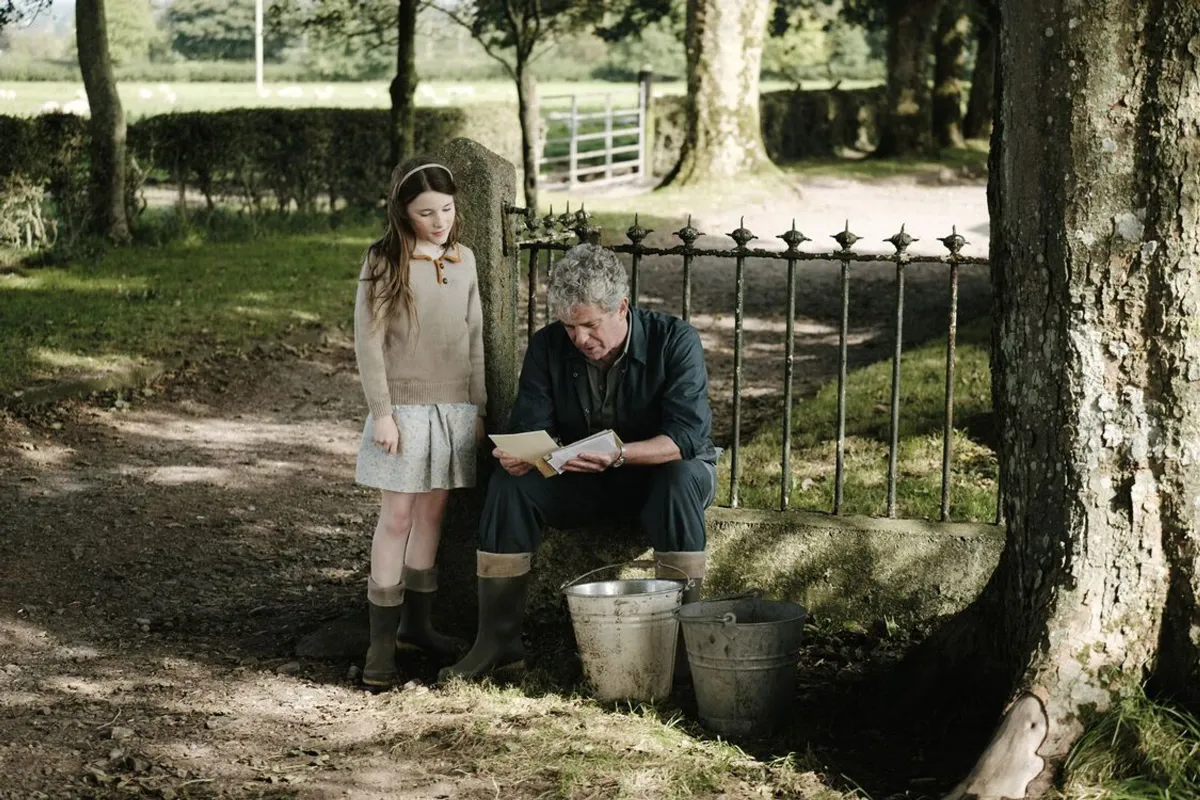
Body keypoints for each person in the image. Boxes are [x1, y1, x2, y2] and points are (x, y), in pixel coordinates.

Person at [440, 243, 718, 683]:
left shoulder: (675, 340)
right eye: (570, 327)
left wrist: (621, 453)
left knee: (681, 476)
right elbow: (532, 426)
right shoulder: (548, 346)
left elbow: (687, 438)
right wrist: (521, 458)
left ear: (622, 307)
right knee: (508, 485)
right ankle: (497, 643)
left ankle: (684, 651)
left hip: (656, 480)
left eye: (590, 325)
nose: (580, 339)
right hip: (580, 478)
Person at [353, 156, 486, 689]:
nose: (439, 221)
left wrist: (478, 409)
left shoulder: (466, 260)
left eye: (447, 209)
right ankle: (379, 649)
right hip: (404, 411)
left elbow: (475, 338)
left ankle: (419, 629)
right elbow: (368, 342)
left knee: (434, 515)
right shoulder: (383, 260)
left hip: (454, 408)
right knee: (398, 519)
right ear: (403, 211)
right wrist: (382, 413)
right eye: (426, 212)